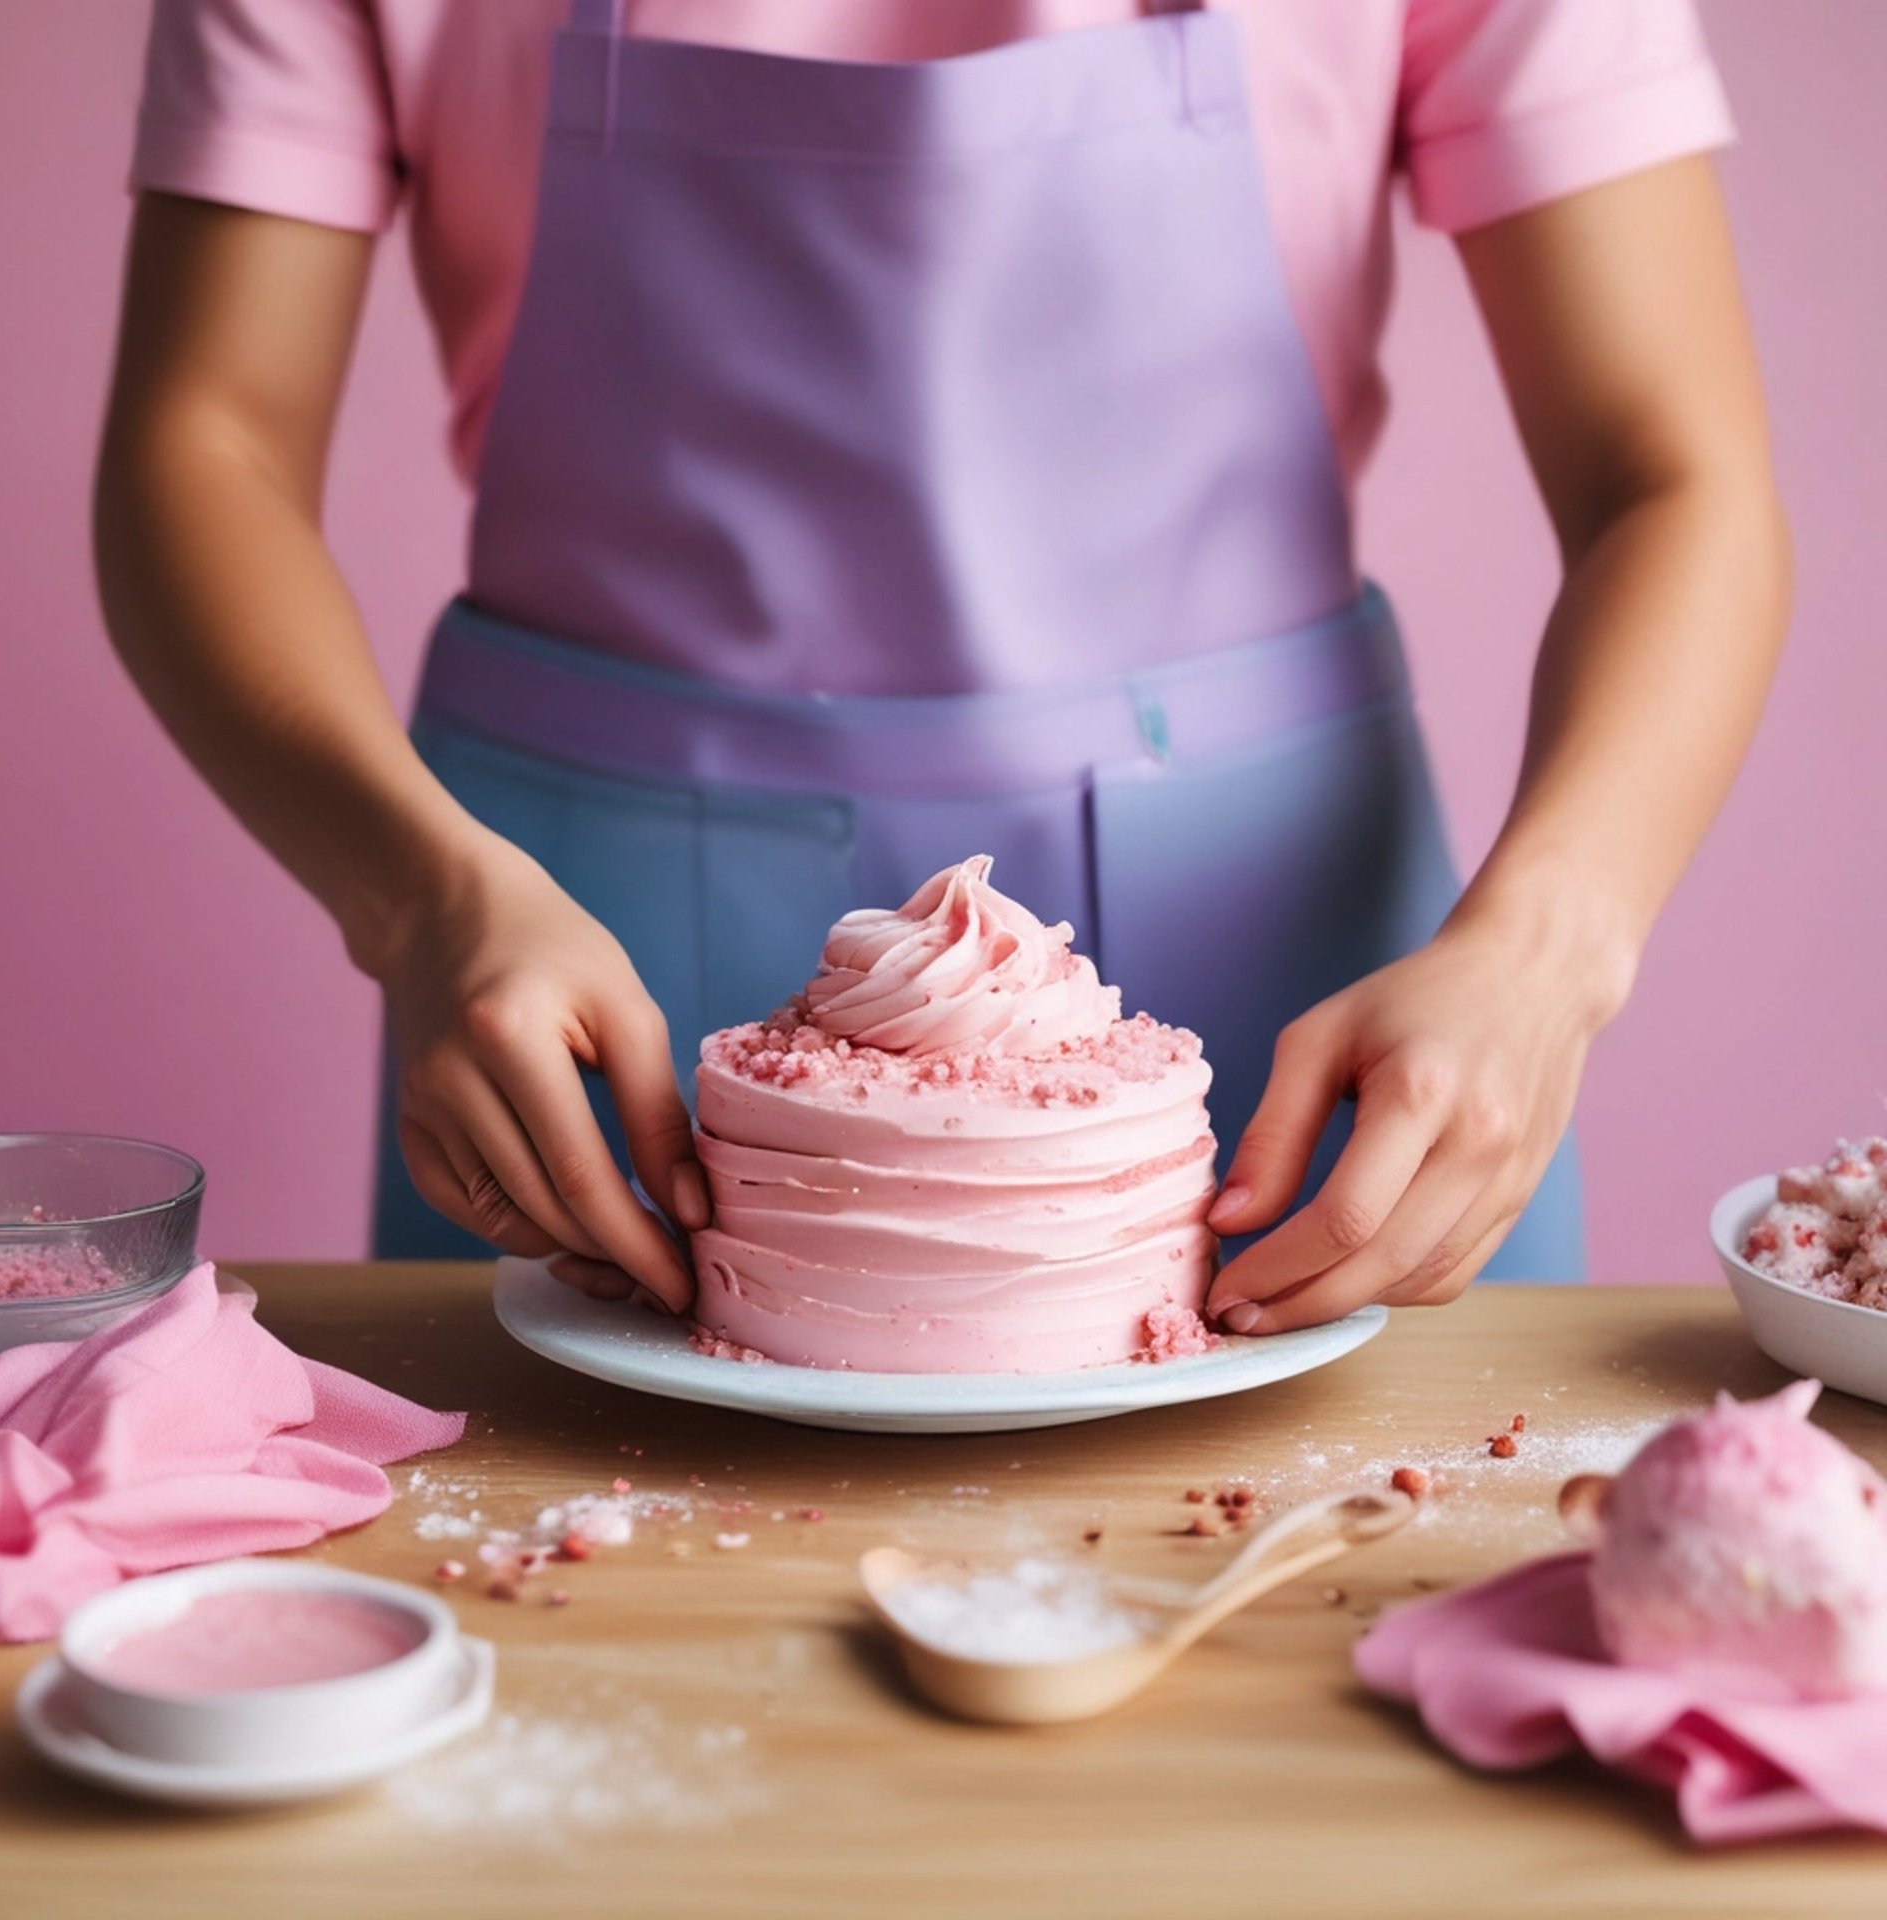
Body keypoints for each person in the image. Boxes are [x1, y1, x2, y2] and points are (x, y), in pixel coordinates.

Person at [95, 0, 1789, 1337]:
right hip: (580, 973)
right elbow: (205, 444)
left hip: (1299, 997)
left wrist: (1548, 951)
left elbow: (1676, 470)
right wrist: (419, 903)